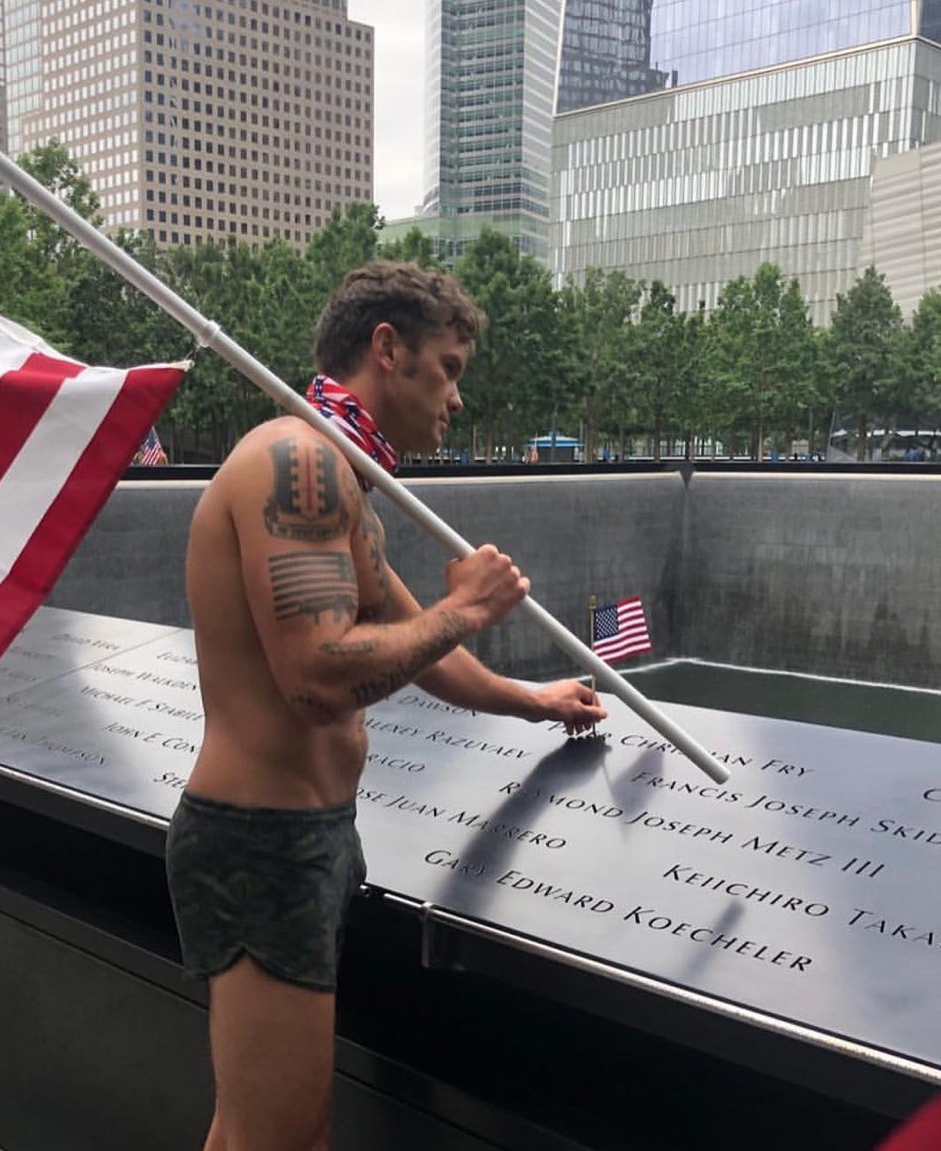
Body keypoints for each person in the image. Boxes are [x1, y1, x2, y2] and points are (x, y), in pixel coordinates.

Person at [167, 261, 608, 1151]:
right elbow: (319, 680)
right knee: (285, 1140)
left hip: (303, 837)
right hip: (263, 845)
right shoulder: (298, 462)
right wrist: (466, 607)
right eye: (446, 369)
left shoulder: (342, 482)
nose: (454, 400)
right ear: (387, 349)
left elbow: (420, 648)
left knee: (251, 1131)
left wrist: (534, 700)